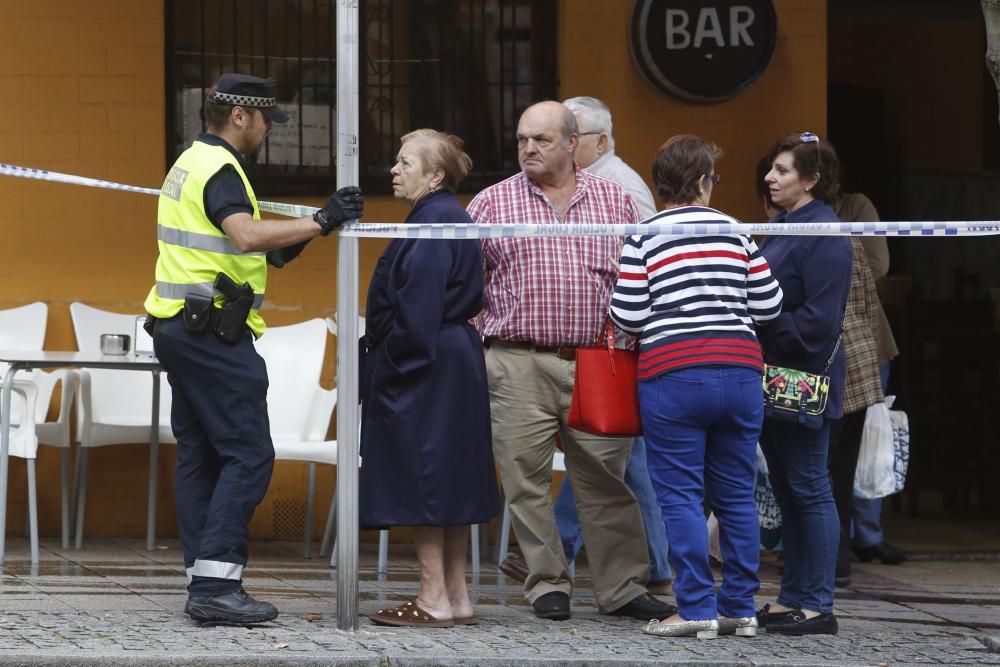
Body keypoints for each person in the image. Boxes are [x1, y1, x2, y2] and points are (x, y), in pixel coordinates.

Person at [144, 73, 364, 625]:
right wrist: (321, 219)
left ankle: (203, 576)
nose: (269, 128)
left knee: (202, 453)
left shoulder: (190, 160)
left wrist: (301, 238)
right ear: (239, 115)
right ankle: (217, 586)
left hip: (180, 326)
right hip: (211, 333)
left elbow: (231, 245)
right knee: (248, 453)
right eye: (267, 118)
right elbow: (243, 235)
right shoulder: (221, 167)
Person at [468, 101, 674, 623]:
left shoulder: (616, 201)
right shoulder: (492, 204)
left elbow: (642, 279)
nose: (529, 149)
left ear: (571, 142)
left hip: (597, 363)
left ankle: (623, 587)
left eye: (540, 140)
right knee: (524, 481)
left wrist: (632, 348)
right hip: (517, 361)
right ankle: (547, 583)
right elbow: (465, 284)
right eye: (521, 140)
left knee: (607, 478)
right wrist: (484, 350)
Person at [612, 135, 783, 639]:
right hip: (741, 373)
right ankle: (739, 608)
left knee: (681, 496)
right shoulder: (735, 230)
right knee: (735, 494)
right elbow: (769, 305)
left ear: (660, 182)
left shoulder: (643, 234)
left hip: (672, 376)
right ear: (705, 181)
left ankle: (694, 608)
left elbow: (627, 314)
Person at [362, 129, 500, 628]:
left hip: (429, 360)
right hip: (454, 357)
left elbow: (416, 309)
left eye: (404, 163)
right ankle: (457, 596)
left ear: (435, 174)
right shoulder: (447, 216)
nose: (394, 170)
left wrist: (389, 367)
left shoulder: (434, 220)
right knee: (451, 477)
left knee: (425, 475)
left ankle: (433, 596)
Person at [539, 96, 671, 594]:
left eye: (575, 136)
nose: (566, 147)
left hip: (613, 346)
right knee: (622, 460)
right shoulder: (596, 179)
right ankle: (655, 566)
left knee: (609, 456)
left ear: (600, 141)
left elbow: (636, 269)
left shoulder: (617, 187)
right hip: (610, 346)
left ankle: (569, 547)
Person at [755, 132, 852, 636]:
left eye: (783, 170)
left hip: (803, 376)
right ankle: (793, 594)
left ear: (811, 179)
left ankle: (818, 603)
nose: (770, 177)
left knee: (811, 488)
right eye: (772, 168)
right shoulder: (785, 225)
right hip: (775, 376)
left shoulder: (825, 231)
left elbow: (819, 322)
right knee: (790, 491)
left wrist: (766, 318)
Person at [833, 193, 907, 567]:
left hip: (864, 342)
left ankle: (867, 534)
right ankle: (833, 543)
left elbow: (877, 263)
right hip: (815, 347)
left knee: (867, 437)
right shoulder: (782, 215)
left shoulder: (855, 207)